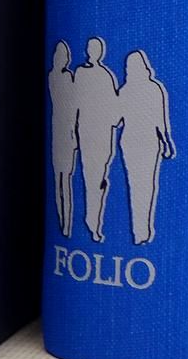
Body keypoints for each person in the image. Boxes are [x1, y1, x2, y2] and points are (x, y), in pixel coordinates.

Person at [119, 50, 175, 244]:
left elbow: (116, 120)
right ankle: (144, 230)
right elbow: (161, 122)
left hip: (129, 142)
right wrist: (167, 142)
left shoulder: (125, 90)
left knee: (134, 186)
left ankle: (138, 232)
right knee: (147, 186)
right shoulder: (154, 88)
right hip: (149, 142)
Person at [74, 37, 122, 243]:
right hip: (96, 136)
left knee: (93, 179)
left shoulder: (84, 73)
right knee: (96, 179)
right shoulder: (104, 76)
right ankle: (93, 222)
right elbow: (114, 115)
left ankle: (93, 220)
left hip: (92, 135)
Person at [47, 41, 78, 237]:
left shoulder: (53, 75)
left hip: (58, 129)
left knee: (60, 179)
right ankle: (65, 224)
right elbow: (73, 109)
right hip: (65, 131)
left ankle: (63, 222)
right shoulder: (65, 77)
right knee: (64, 180)